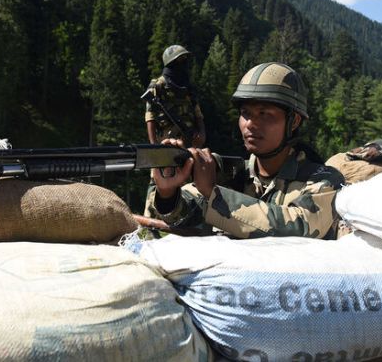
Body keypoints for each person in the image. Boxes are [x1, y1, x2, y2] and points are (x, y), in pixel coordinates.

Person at [145, 62, 344, 239]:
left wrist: (212, 193)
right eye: (245, 114)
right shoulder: (231, 172)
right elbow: (185, 213)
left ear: (294, 121)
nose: (250, 124)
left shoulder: (324, 181)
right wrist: (167, 193)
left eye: (264, 114)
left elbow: (298, 228)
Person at [143, 44, 206, 148]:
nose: (184, 62)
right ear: (171, 62)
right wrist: (154, 146)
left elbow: (197, 113)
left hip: (190, 141)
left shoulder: (187, 86)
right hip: (167, 143)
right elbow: (150, 117)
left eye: (185, 59)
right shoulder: (158, 85)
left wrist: (202, 134)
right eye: (181, 59)